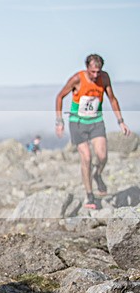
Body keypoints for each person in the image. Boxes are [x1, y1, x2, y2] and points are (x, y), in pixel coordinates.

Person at [55, 54, 131, 209]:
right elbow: (60, 97)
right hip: (77, 123)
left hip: (96, 121)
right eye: (92, 72)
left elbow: (112, 99)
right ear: (87, 68)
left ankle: (97, 174)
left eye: (98, 71)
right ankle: (89, 196)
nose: (95, 75)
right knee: (87, 157)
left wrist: (121, 122)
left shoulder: (104, 78)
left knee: (102, 156)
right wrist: (59, 121)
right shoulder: (77, 79)